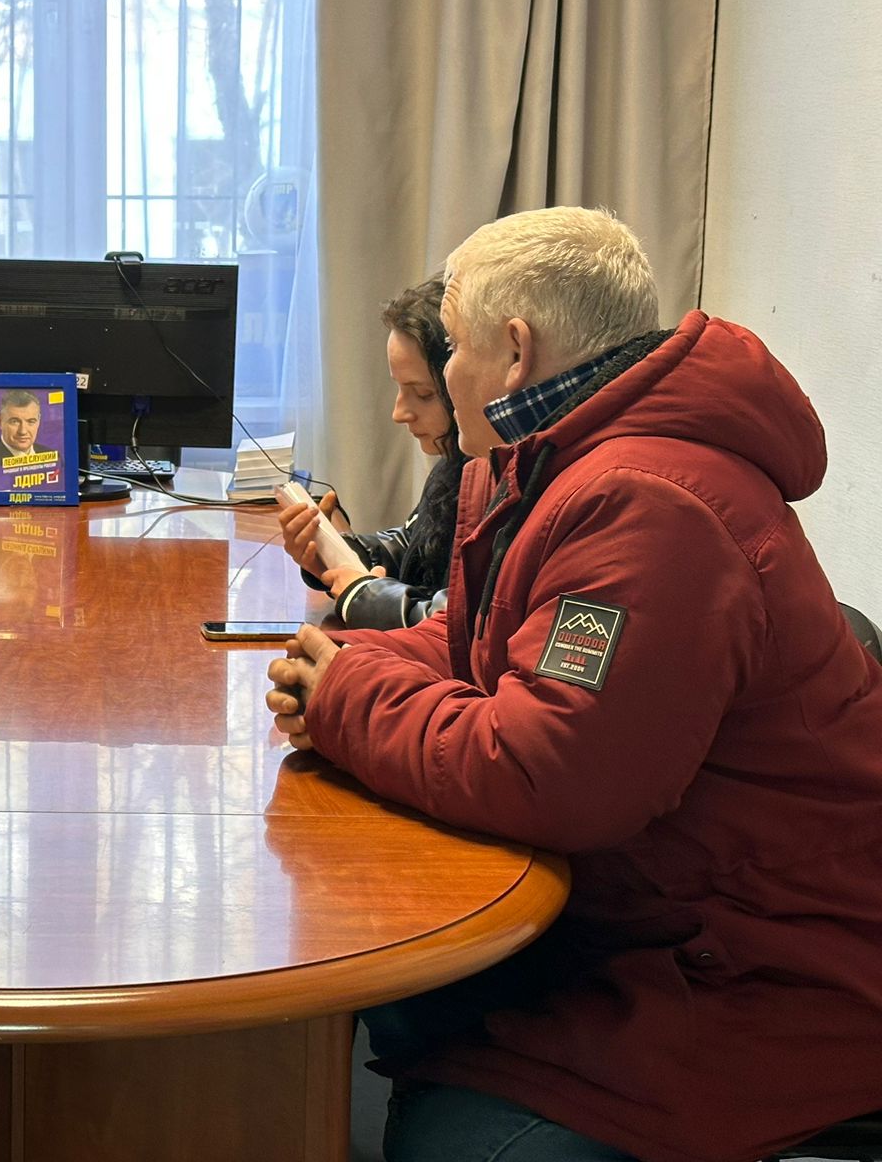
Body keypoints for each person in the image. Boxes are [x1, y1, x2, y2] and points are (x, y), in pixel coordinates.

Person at [267, 206, 882, 1161]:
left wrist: (347, 698)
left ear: (516, 353)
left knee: (449, 1132)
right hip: (654, 913)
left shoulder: (649, 506)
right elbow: (475, 647)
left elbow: (548, 771)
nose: (444, 378)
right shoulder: (543, 465)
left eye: (454, 348)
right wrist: (346, 669)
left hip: (761, 969)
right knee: (380, 979)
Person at [277, 277, 461, 629]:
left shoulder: (500, 473)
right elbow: (415, 546)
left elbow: (457, 623)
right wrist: (335, 552)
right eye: (399, 388)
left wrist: (362, 594)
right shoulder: (454, 467)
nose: (399, 413)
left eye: (423, 393)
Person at [0, 389, 56, 466]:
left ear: (38, 421)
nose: (23, 431)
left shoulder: (54, 459)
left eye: (31, 421)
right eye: (14, 421)